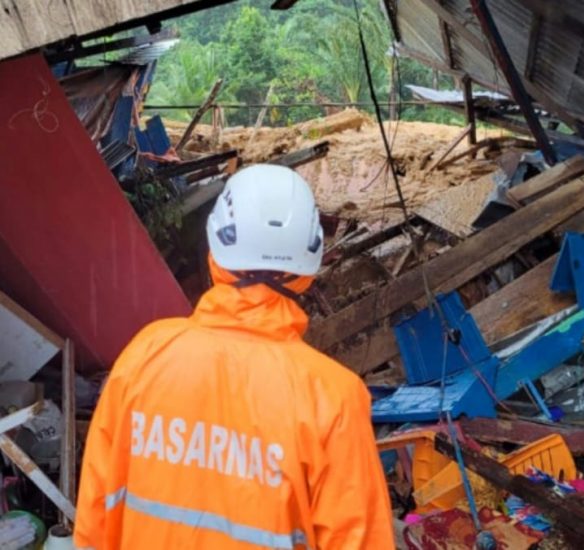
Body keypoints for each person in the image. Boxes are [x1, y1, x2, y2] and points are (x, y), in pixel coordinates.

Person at [74, 165, 394, 549]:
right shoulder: (333, 399)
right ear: (310, 265)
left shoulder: (143, 358)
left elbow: (93, 522)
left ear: (215, 252)